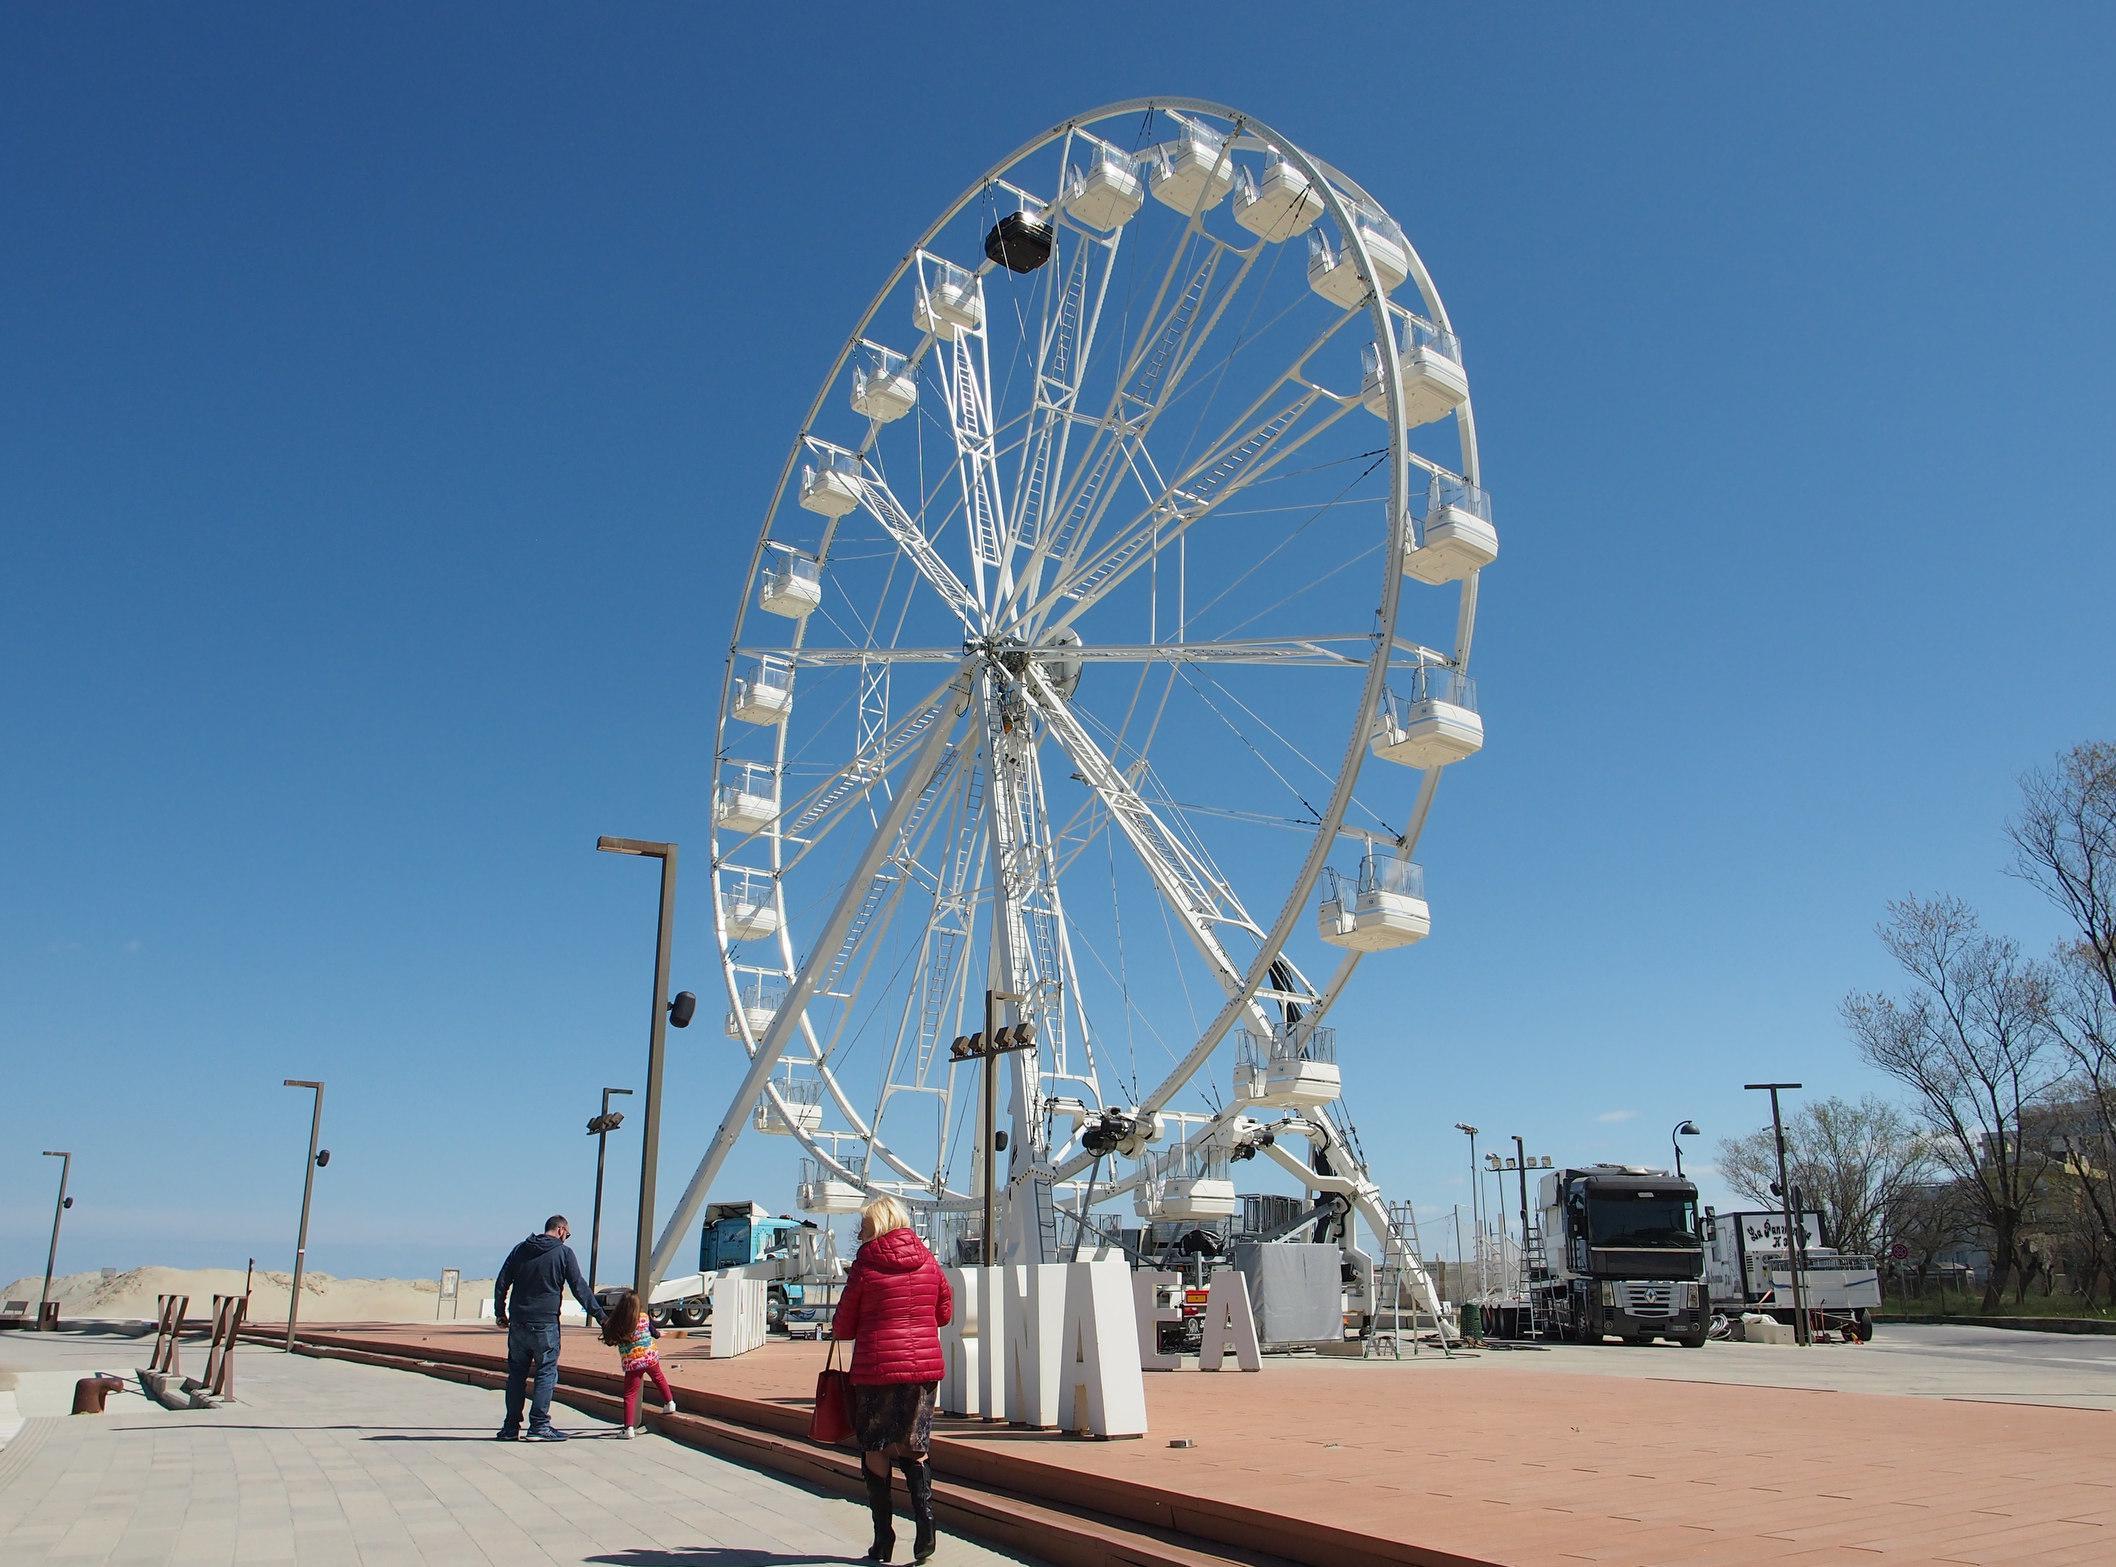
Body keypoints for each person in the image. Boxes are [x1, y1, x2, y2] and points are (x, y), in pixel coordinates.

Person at [831, 1195, 952, 1564]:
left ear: (874, 1227)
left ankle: (883, 1538)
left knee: (876, 1448)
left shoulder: (865, 1265)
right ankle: (926, 1527)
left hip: (876, 1371)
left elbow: (843, 1326)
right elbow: (944, 1313)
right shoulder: (929, 1263)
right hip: (921, 1373)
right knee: (916, 1446)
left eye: (863, 1227)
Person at [493, 1214, 606, 1441]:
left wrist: (500, 1313)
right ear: (561, 1230)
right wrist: (601, 1317)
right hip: (545, 1323)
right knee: (546, 1372)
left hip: (518, 1322)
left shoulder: (520, 1250)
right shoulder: (563, 1253)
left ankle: (510, 1427)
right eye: (568, 1234)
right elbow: (579, 1287)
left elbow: (502, 1281)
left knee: (516, 1374)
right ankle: (539, 1426)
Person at [600, 1288, 678, 1437]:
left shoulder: (620, 1322)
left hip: (633, 1362)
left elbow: (611, 1339)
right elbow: (654, 1333)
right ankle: (669, 1403)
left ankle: (628, 1428)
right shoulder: (644, 1317)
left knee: (630, 1394)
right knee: (658, 1378)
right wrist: (659, 1334)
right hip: (650, 1357)